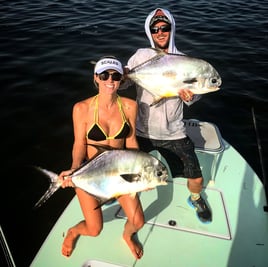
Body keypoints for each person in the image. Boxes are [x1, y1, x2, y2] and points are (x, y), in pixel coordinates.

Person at [121, 8, 212, 223]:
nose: (160, 32)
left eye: (165, 28)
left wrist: (190, 97)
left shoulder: (184, 60)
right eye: (155, 29)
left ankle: (196, 198)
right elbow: (125, 82)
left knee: (196, 178)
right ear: (149, 31)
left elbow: (195, 95)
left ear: (172, 29)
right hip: (143, 130)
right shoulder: (141, 56)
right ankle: (123, 196)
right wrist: (120, 77)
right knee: (127, 173)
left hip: (174, 132)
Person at [59, 56, 144, 259]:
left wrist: (140, 173)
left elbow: (131, 142)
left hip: (120, 173)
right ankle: (73, 231)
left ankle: (127, 236)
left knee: (138, 222)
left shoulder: (130, 106)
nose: (110, 80)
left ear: (122, 80)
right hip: (91, 173)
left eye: (115, 76)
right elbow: (79, 143)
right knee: (95, 229)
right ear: (96, 77)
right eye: (104, 75)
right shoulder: (82, 109)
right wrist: (74, 168)